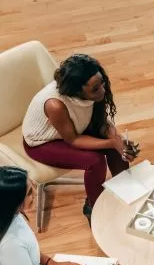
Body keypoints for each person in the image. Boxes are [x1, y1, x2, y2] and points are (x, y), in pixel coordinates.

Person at [22, 54, 139, 224]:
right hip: (43, 142)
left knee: (115, 144)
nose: (103, 90)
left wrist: (117, 139)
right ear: (77, 91)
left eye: (102, 83)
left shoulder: (93, 90)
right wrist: (112, 142)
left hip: (75, 128)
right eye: (95, 89)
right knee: (95, 161)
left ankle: (126, 189)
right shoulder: (55, 105)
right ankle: (93, 206)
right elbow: (73, 140)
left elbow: (100, 122)